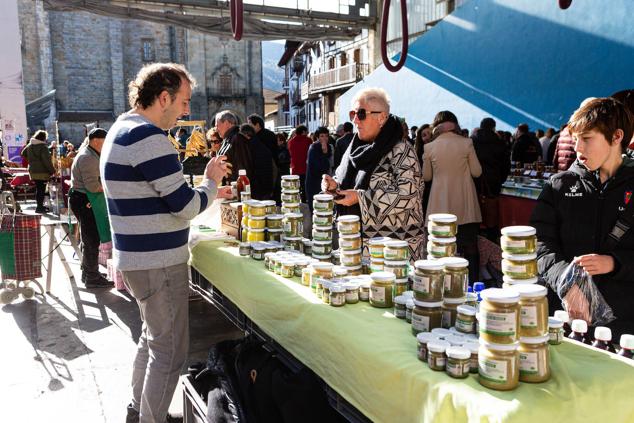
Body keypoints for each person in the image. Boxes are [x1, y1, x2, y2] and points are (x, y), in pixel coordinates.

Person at [100, 63, 232, 423]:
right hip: (157, 261)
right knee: (171, 353)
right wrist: (210, 182)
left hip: (138, 259)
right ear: (163, 98)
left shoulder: (122, 128)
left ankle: (139, 410)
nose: (187, 110)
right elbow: (186, 206)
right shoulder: (148, 136)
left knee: (153, 340)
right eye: (184, 101)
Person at [530, 97, 634, 339]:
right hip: (564, 319)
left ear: (617, 137)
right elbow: (540, 245)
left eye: (587, 138)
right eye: (575, 139)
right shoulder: (559, 185)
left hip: (624, 325)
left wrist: (615, 263)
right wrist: (567, 283)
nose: (578, 148)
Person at [322, 88, 425, 259]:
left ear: (382, 117)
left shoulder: (401, 150)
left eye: (361, 114)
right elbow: (346, 181)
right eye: (352, 113)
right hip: (356, 245)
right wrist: (334, 186)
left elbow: (408, 195)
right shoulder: (354, 148)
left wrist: (360, 198)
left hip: (393, 249)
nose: (355, 120)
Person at [423, 111, 482, 282]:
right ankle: (472, 282)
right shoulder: (467, 143)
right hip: (465, 203)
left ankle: (441, 283)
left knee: (440, 247)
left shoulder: (429, 147)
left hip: (439, 204)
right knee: (470, 246)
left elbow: (426, 177)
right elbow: (477, 172)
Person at [69, 128, 113, 288]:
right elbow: (93, 186)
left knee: (89, 238)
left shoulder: (89, 153)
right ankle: (92, 277)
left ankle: (88, 273)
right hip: (84, 200)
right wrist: (109, 186)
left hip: (83, 199)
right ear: (96, 141)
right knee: (91, 239)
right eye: (104, 141)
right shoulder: (88, 158)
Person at [472, 117, 511, 242]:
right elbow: (506, 164)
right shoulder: (499, 142)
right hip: (493, 182)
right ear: (493, 127)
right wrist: (501, 179)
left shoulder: (472, 141)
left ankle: (476, 238)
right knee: (492, 214)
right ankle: (492, 240)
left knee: (475, 211)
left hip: (475, 181)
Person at [21, 129, 55, 213]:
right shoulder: (43, 147)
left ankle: (40, 206)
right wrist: (52, 171)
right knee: (41, 190)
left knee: (39, 189)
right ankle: (39, 207)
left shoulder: (30, 145)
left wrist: (31, 161)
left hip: (33, 171)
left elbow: (23, 153)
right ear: (43, 138)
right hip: (42, 172)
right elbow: (46, 161)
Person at [216, 110, 253, 183]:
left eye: (217, 125)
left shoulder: (237, 139)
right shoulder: (227, 139)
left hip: (235, 188)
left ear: (226, 123)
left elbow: (242, 169)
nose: (216, 129)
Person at [240, 123, 275, 200]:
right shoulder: (259, 145)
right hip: (265, 187)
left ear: (246, 135)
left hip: (257, 189)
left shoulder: (250, 147)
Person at [306, 126, 332, 211]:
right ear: (317, 137)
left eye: (326, 136)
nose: (324, 138)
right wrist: (324, 153)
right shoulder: (313, 147)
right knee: (316, 209)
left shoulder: (329, 147)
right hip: (314, 182)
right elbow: (319, 168)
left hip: (325, 181)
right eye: (322, 136)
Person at [287, 125, 312, 202]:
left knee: (296, 187)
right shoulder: (308, 140)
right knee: (305, 186)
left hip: (295, 168)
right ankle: (304, 200)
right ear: (303, 132)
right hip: (305, 167)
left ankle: (296, 201)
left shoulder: (291, 141)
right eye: (306, 132)